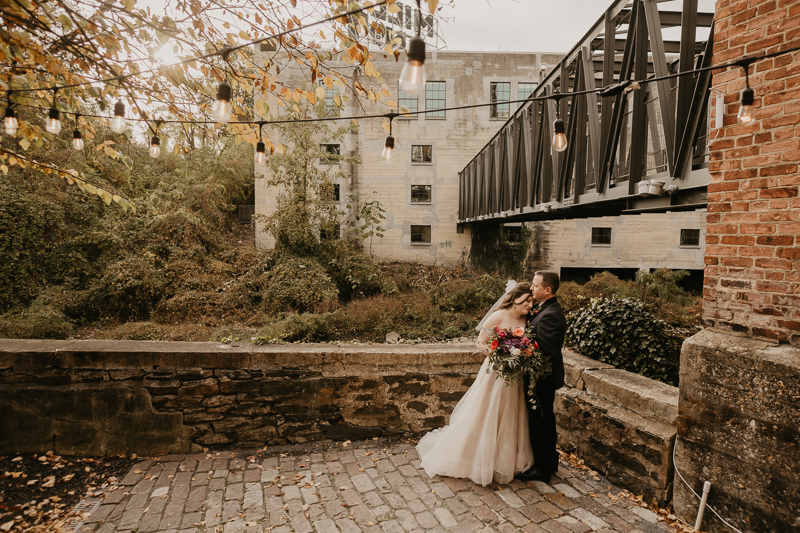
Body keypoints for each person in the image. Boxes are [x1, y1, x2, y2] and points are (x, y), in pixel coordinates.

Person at [415, 282, 535, 486]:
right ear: (515, 299)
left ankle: (505, 458)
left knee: (510, 414)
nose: (530, 305)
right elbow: (480, 342)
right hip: (496, 372)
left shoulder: (527, 319)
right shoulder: (498, 316)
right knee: (486, 411)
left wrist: (520, 354)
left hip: (515, 376)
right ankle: (474, 457)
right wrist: (499, 354)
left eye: (532, 301)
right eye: (527, 301)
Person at [517, 270, 566, 484]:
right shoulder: (545, 310)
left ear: (548, 290)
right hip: (540, 378)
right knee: (543, 421)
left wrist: (519, 351)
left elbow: (544, 352)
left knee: (541, 423)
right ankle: (548, 462)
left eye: (535, 286)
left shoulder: (551, 315)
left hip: (541, 379)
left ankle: (543, 469)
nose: (531, 288)